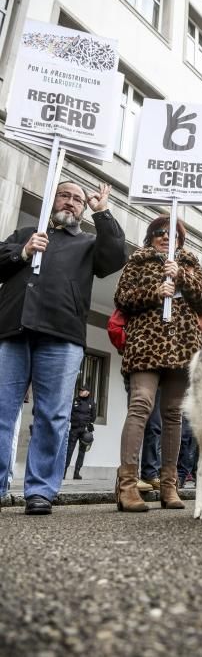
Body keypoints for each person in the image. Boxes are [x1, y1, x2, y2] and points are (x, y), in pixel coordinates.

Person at [0, 181, 126, 514]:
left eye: (78, 200)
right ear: (52, 199)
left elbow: (115, 257)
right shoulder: (25, 233)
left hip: (62, 336)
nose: (70, 202)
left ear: (84, 209)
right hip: (12, 332)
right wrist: (23, 252)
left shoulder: (88, 243)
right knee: (1, 412)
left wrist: (104, 213)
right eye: (64, 195)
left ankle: (41, 491)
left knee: (53, 416)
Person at [114, 216, 202, 512]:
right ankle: (127, 484)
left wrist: (180, 275)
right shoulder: (138, 261)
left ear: (181, 239)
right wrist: (155, 292)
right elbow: (122, 297)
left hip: (182, 345)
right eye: (159, 232)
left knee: (173, 414)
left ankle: (169, 486)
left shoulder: (191, 263)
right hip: (146, 343)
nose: (165, 237)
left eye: (172, 234)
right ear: (150, 237)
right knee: (141, 404)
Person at [64, 382, 96, 480]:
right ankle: (63, 472)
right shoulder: (75, 401)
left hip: (84, 431)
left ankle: (76, 473)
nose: (80, 392)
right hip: (74, 429)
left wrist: (90, 425)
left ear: (88, 392)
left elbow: (93, 416)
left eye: (83, 390)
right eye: (80, 390)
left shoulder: (91, 403)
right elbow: (69, 413)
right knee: (69, 451)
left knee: (82, 452)